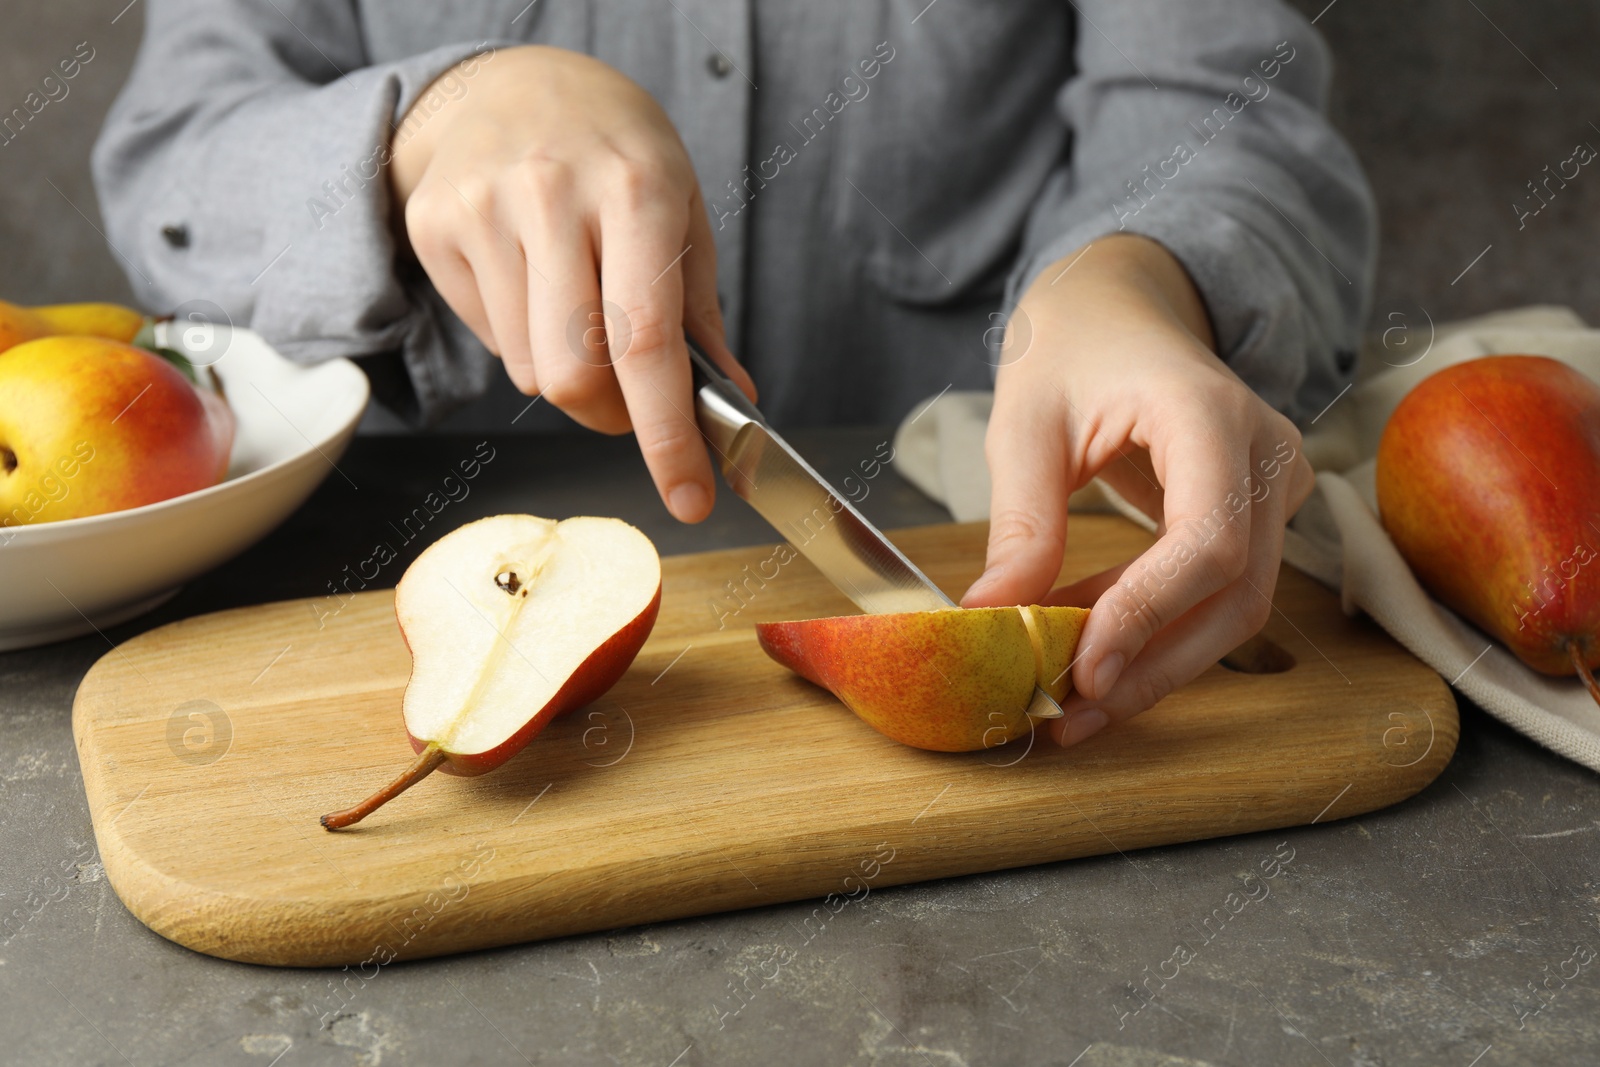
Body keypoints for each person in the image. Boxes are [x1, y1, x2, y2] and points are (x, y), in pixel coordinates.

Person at [93, 0, 1374, 748]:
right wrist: (421, 126)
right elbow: (168, 166)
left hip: (981, 518)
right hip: (352, 588)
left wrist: (1139, 278)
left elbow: (1227, 92)